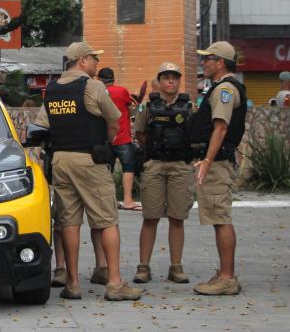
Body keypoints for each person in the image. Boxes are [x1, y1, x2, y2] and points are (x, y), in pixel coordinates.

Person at [33, 42, 142, 301]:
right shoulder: (93, 87)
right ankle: (115, 283)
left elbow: (41, 126)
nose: (96, 63)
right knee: (106, 219)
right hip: (89, 160)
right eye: (94, 58)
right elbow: (114, 120)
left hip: (60, 160)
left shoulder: (52, 89)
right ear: (82, 61)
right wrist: (105, 142)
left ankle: (72, 284)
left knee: (68, 221)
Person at [188, 41, 247, 295]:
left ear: (220, 62)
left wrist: (207, 161)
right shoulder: (223, 87)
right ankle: (224, 273)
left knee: (220, 218)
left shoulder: (225, 89)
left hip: (217, 162)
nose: (205, 63)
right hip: (218, 159)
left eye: (208, 59)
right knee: (217, 217)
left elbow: (220, 127)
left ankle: (226, 278)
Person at [132, 62, 194, 284]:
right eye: (166, 77)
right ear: (158, 81)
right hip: (155, 165)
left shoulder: (189, 106)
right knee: (150, 217)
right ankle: (143, 267)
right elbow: (139, 134)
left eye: (175, 77)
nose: (171, 81)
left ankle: (176, 267)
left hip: (180, 165)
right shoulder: (147, 107)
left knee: (177, 218)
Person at [97, 68, 140, 211]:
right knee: (128, 167)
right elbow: (132, 107)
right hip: (122, 137)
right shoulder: (122, 91)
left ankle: (108, 202)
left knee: (106, 170)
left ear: (99, 79)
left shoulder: (98, 92)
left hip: (105, 138)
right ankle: (128, 200)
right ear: (113, 78)